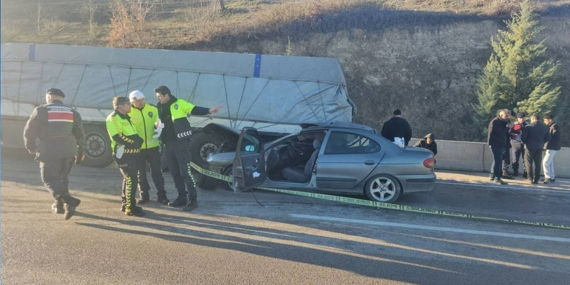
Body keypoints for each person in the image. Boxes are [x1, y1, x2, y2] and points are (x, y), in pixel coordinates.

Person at [155, 86, 221, 211]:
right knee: (174, 172)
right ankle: (181, 197)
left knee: (185, 172)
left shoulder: (179, 103)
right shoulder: (159, 106)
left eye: (159, 96)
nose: (158, 99)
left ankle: (193, 199)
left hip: (181, 142)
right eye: (157, 97)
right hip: (167, 143)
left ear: (166, 95)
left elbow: (194, 109)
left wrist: (209, 110)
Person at [23, 88, 84, 220]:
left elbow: (29, 131)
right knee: (62, 178)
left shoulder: (41, 110)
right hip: (69, 151)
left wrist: (30, 147)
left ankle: (68, 200)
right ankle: (61, 206)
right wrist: (81, 152)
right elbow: (80, 135)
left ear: (50, 97)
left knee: (49, 179)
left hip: (49, 151)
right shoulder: (72, 112)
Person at [128, 90, 169, 205]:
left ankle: (162, 196)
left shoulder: (152, 109)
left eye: (142, 100)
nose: (141, 103)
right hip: (138, 148)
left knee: (157, 173)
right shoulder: (128, 112)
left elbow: (157, 121)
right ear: (132, 102)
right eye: (138, 101)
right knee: (140, 173)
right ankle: (144, 195)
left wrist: (158, 125)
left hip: (153, 146)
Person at [106, 96, 145, 216]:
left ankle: (126, 204)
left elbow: (131, 132)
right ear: (120, 106)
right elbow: (118, 137)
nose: (130, 106)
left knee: (129, 179)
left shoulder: (126, 117)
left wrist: (139, 140)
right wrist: (134, 142)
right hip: (123, 154)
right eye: (128, 104)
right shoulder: (113, 118)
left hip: (133, 153)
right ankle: (129, 208)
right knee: (131, 180)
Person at [521, 114, 550, 184]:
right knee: (538, 164)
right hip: (540, 147)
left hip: (529, 147)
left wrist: (525, 142)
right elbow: (548, 138)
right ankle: (536, 179)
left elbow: (523, 138)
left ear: (533, 119)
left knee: (528, 163)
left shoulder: (528, 126)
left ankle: (530, 178)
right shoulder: (545, 127)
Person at [487, 109, 510, 185]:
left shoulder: (503, 122)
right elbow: (491, 133)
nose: (507, 117)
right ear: (501, 115)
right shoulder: (496, 121)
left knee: (497, 160)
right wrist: (490, 143)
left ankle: (492, 175)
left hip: (501, 144)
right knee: (498, 161)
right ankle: (497, 178)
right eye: (506, 116)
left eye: (508, 116)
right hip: (496, 144)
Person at [542, 114, 560, 184]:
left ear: (550, 120)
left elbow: (551, 137)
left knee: (545, 162)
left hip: (552, 147)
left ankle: (547, 177)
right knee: (550, 163)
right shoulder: (551, 126)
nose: (544, 122)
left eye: (545, 121)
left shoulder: (554, 126)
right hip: (551, 147)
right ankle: (552, 177)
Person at [509, 112, 527, 178]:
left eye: (522, 118)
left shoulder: (527, 125)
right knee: (515, 159)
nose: (521, 119)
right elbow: (509, 133)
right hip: (515, 143)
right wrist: (514, 134)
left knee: (525, 159)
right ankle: (515, 172)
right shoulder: (514, 124)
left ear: (524, 118)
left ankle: (526, 173)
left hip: (524, 144)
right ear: (517, 118)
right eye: (520, 118)